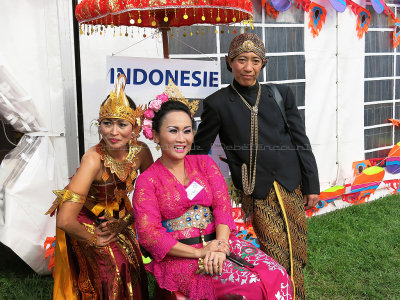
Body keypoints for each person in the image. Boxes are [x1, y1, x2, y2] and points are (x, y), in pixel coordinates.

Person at [190, 33, 320, 299]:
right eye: (241, 60)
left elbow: (300, 140)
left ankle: (296, 294)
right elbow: (199, 152)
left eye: (255, 61)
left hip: (290, 180)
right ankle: (285, 295)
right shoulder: (217, 103)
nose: (247, 67)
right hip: (255, 188)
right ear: (229, 62)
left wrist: (312, 184)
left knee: (296, 247)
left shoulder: (280, 95)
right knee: (275, 250)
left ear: (263, 63)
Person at [132, 92, 294, 300]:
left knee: (278, 276)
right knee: (251, 287)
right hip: (183, 257)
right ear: (155, 135)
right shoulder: (148, 180)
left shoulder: (204, 164)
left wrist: (220, 246)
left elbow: (222, 207)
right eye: (173, 131)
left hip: (222, 244)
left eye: (187, 131)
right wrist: (200, 253)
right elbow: (149, 234)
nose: (182, 138)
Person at [45, 75, 153, 300]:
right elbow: (65, 220)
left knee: (133, 264)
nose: (114, 132)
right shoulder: (93, 159)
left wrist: (123, 223)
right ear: (100, 125)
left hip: (120, 218)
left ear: (134, 128)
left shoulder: (142, 153)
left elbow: (149, 198)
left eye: (122, 124)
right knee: (115, 266)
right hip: (85, 222)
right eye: (107, 123)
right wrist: (96, 239)